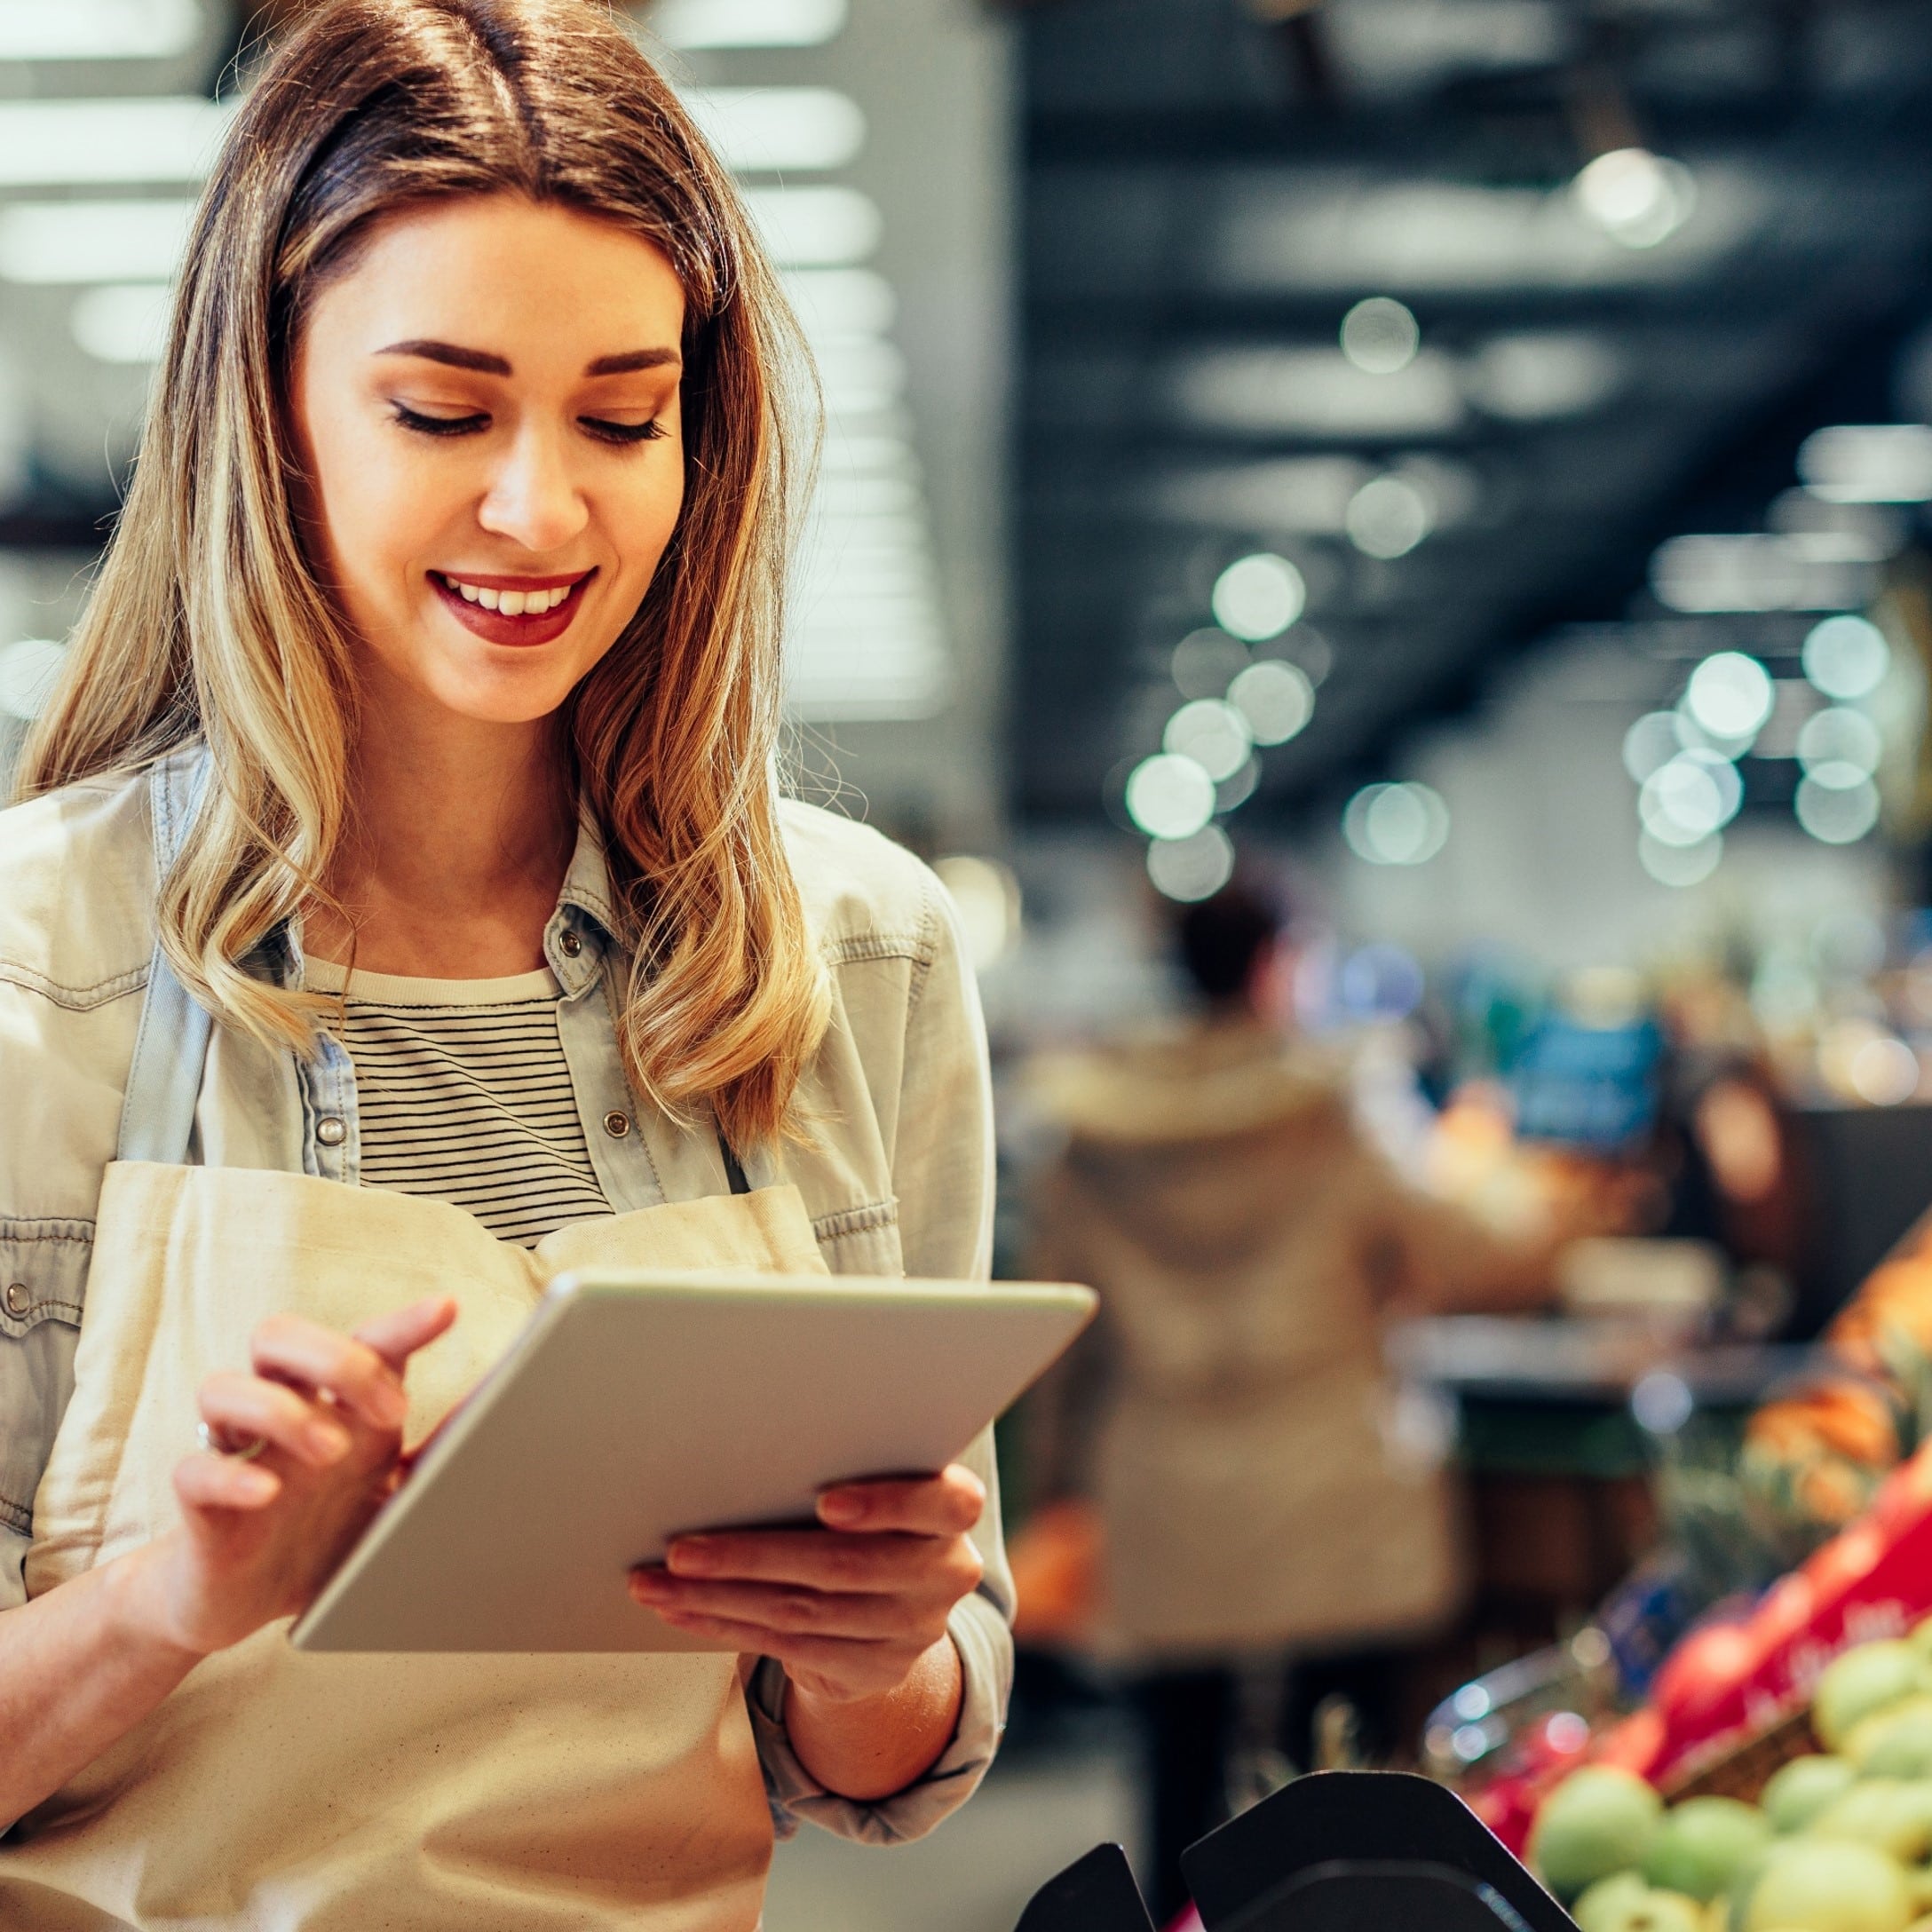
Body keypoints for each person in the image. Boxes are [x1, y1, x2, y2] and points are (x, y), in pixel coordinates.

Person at [0, 4, 1009, 1926]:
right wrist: (171, 1601)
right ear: (269, 410)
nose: (542, 509)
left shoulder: (849, 955)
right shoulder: (34, 970)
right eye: (441, 411)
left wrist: (878, 1649)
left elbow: (864, 1767)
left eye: (622, 416)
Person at [1022, 880, 1560, 1920]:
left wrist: (1056, 1490)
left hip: (1166, 1479)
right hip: (1331, 1475)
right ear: (1276, 963)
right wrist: (1530, 1186)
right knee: (1340, 1780)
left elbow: (1059, 1332)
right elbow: (1469, 1249)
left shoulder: (1092, 1133)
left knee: (1176, 1768)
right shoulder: (1338, 1104)